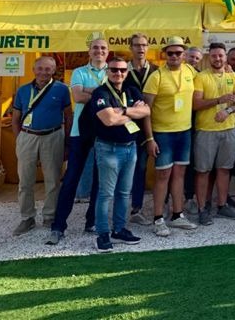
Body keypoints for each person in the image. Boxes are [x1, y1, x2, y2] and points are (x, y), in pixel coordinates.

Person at [47, 38, 108, 245]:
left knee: (100, 180)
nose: (99, 51)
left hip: (104, 130)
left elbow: (115, 97)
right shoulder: (79, 72)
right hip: (79, 131)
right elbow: (77, 96)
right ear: (89, 52)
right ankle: (58, 226)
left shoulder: (114, 70)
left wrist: (89, 90)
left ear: (107, 52)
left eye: (103, 48)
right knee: (72, 177)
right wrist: (102, 92)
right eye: (95, 48)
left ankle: (91, 221)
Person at [89, 57, 150, 252]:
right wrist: (133, 112)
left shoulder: (131, 90)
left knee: (124, 193)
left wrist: (123, 110)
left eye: (123, 70)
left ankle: (120, 229)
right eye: (114, 70)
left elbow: (147, 111)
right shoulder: (101, 92)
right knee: (106, 193)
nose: (119, 74)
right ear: (108, 71)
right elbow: (108, 120)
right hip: (108, 148)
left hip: (130, 146)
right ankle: (103, 233)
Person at [142, 36, 198, 236]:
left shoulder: (190, 71)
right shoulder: (156, 77)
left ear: (184, 55)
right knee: (162, 175)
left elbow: (205, 79)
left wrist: (226, 69)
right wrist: (150, 138)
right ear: (164, 54)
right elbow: (145, 110)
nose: (174, 56)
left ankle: (177, 214)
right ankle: (158, 218)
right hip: (163, 133)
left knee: (180, 174)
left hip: (184, 131)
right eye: (170, 53)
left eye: (178, 53)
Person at [11, 57, 72, 236]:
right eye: (40, 68)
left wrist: (67, 142)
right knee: (25, 180)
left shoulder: (62, 89)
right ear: (33, 69)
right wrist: (19, 139)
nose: (44, 72)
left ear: (54, 71)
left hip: (53, 136)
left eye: (48, 69)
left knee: (53, 180)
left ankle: (49, 216)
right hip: (27, 136)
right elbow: (15, 119)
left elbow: (68, 116)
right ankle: (27, 217)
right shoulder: (22, 90)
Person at [191, 43, 235, 225]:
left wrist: (228, 111)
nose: (218, 59)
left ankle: (222, 205)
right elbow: (195, 104)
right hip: (206, 131)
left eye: (221, 55)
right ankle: (202, 209)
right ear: (209, 57)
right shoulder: (201, 77)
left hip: (229, 130)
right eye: (214, 56)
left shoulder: (234, 76)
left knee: (224, 170)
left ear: (225, 57)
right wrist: (218, 101)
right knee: (203, 171)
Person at [125, 33, 159, 226]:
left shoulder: (155, 70)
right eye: (137, 45)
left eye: (144, 45)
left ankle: (160, 206)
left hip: (154, 125)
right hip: (127, 126)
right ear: (131, 48)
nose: (141, 48)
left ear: (148, 48)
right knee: (133, 168)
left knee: (152, 167)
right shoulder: (122, 70)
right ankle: (133, 208)